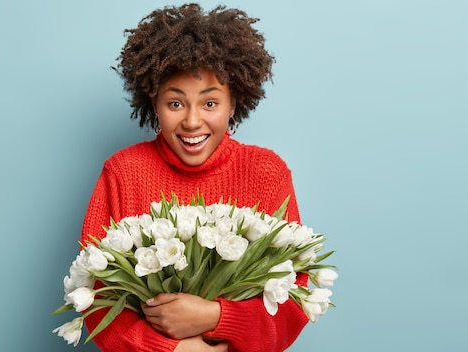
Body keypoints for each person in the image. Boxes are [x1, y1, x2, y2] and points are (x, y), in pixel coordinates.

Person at [80, 3, 309, 351]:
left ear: (234, 104)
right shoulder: (123, 172)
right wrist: (174, 350)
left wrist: (217, 317)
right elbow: (96, 294)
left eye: (210, 103)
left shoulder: (267, 172)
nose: (191, 121)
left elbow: (295, 295)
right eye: (175, 103)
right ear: (154, 103)